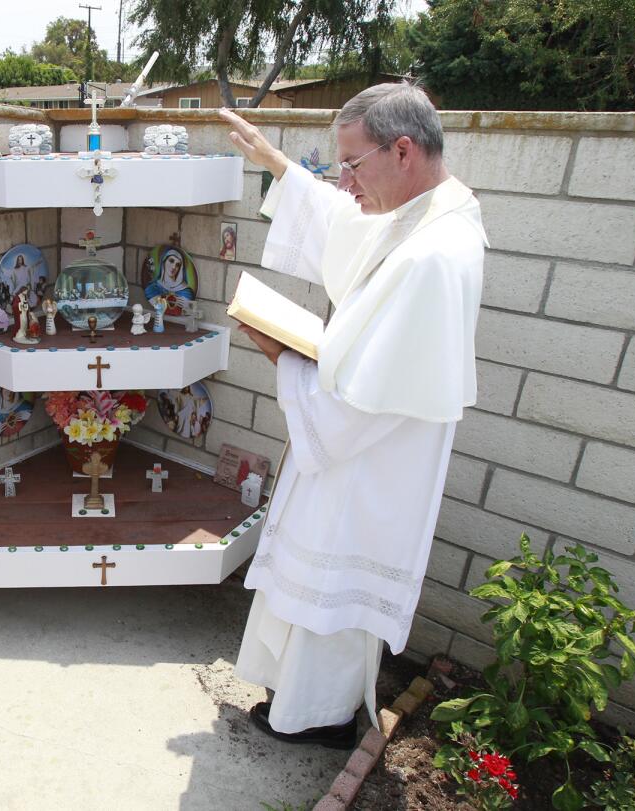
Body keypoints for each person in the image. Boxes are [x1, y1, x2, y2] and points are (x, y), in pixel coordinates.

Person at [219, 82, 486, 749]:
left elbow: (358, 408)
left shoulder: (435, 253)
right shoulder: (426, 213)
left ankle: (320, 717)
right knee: (314, 591)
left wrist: (286, 357)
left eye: (352, 164)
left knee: (331, 598)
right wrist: (281, 168)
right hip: (353, 448)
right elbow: (354, 230)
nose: (342, 182)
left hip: (365, 460)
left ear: (403, 150)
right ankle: (298, 702)